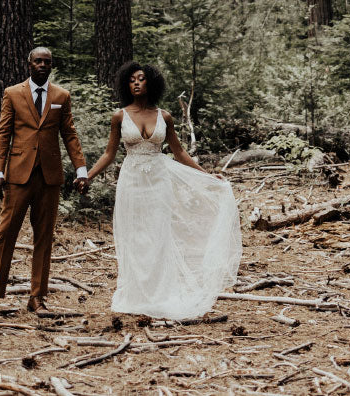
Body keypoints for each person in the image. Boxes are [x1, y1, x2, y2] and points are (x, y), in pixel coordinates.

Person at [86, 60, 241, 320]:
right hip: (132, 180)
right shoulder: (120, 116)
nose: (136, 83)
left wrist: (206, 175)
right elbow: (109, 153)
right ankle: (136, 295)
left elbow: (178, 151)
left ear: (151, 83)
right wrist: (87, 176)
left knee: (158, 233)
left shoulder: (164, 116)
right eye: (132, 79)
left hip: (159, 180)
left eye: (141, 79)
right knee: (134, 235)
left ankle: (160, 294)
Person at [0, 46, 88, 312]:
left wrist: (81, 170)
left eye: (47, 62)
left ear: (51, 65)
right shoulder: (13, 93)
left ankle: (37, 297)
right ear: (29, 64)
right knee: (5, 234)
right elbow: (3, 134)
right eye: (37, 61)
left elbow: (70, 134)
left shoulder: (61, 96)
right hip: (18, 175)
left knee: (44, 236)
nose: (42, 65)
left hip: (50, 177)